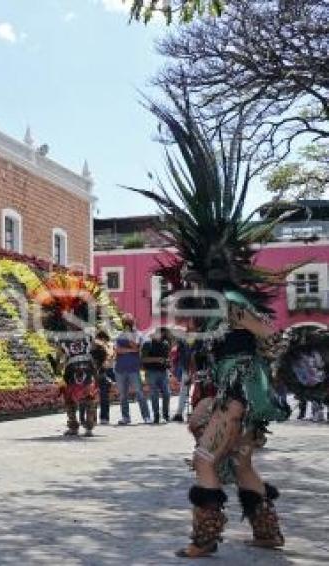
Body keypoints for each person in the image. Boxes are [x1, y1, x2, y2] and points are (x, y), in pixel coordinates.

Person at [126, 104, 291, 558]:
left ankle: (205, 538)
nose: (189, 284)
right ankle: (267, 531)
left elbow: (270, 334)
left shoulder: (233, 305)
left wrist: (275, 352)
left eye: (194, 278)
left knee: (205, 459)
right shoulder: (212, 314)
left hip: (238, 397)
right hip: (229, 396)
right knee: (233, 457)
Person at [31, 273, 99, 437]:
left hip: (73, 369)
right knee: (87, 398)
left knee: (71, 398)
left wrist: (57, 368)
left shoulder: (63, 338)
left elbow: (61, 357)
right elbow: (96, 349)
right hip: (86, 369)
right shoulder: (88, 335)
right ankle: (87, 426)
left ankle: (75, 426)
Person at [114, 314, 150, 425]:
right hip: (120, 369)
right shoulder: (119, 336)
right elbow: (117, 350)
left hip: (133, 369)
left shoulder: (139, 335)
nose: (126, 325)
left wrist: (129, 339)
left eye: (128, 322)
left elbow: (137, 348)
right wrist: (129, 350)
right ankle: (126, 417)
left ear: (132, 323)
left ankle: (146, 417)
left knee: (139, 393)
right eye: (125, 322)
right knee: (123, 395)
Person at [142, 327, 171, 423]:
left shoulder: (165, 344)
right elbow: (143, 359)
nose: (160, 335)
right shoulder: (147, 344)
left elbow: (167, 358)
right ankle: (156, 415)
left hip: (163, 372)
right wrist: (157, 359)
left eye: (161, 333)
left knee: (167, 394)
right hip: (151, 372)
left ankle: (166, 415)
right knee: (154, 395)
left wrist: (167, 362)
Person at [92, 329, 115, 424]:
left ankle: (93, 418)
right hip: (100, 373)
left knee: (92, 397)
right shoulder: (102, 347)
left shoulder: (94, 347)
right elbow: (108, 361)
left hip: (95, 374)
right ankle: (103, 418)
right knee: (103, 397)